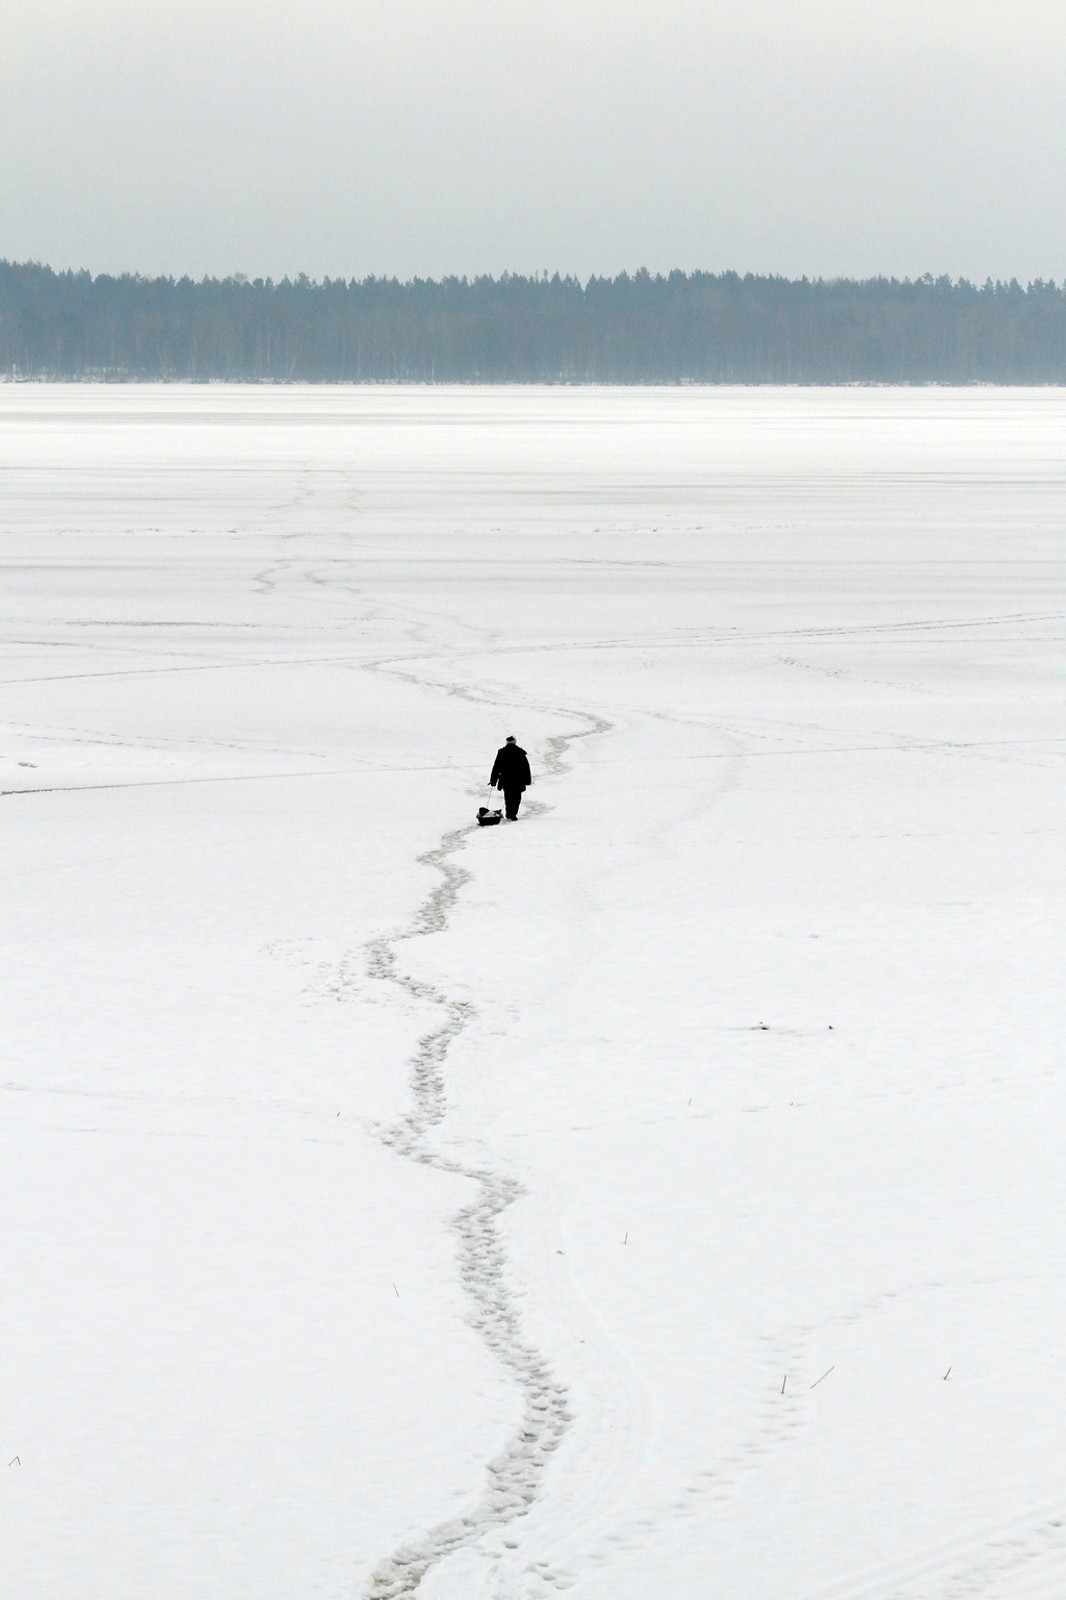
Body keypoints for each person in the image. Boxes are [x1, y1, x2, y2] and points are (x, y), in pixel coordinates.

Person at [489, 735, 532, 820]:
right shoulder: (520, 752)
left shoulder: (502, 752)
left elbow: (496, 767)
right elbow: (526, 767)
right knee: (516, 797)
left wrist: (493, 780)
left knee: (508, 796)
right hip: (518, 779)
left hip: (506, 779)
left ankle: (509, 813)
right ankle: (513, 814)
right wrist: (527, 780)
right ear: (515, 742)